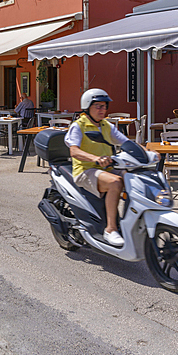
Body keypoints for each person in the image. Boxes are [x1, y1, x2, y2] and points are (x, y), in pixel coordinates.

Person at [65, 88, 130, 247]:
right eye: (98, 106)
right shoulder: (78, 126)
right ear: (87, 107)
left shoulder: (106, 125)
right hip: (85, 171)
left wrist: (146, 151)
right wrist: (94, 158)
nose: (103, 110)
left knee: (133, 176)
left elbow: (126, 142)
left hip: (105, 169)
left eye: (104, 106)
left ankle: (130, 222)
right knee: (115, 182)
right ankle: (110, 229)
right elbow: (73, 150)